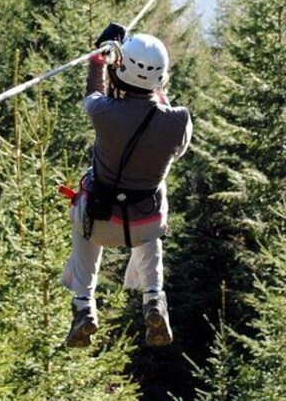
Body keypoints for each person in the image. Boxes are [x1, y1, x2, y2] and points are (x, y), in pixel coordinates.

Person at [61, 22, 192, 347]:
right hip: (144, 225)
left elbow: (93, 92)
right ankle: (153, 298)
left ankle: (84, 306)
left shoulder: (103, 113)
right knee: (152, 211)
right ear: (160, 77)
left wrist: (98, 59)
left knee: (82, 224)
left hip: (99, 220)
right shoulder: (178, 121)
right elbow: (168, 124)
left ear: (121, 70)